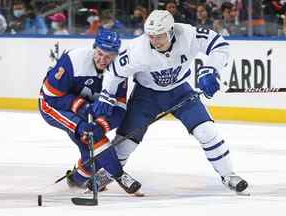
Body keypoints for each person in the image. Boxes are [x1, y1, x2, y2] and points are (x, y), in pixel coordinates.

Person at [94, 10, 249, 194]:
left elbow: (219, 45)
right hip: (146, 97)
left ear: (171, 31)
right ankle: (102, 176)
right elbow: (114, 72)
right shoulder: (138, 50)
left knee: (206, 131)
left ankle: (228, 175)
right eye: (151, 36)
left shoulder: (188, 35)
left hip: (180, 92)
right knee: (126, 141)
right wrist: (107, 94)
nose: (154, 41)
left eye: (159, 36)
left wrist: (211, 69)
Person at [38, 29, 142, 195]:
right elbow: (51, 96)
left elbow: (119, 108)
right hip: (53, 106)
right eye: (100, 53)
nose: (103, 60)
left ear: (116, 55)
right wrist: (81, 106)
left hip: (87, 112)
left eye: (109, 56)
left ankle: (76, 179)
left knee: (93, 146)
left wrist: (103, 126)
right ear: (94, 47)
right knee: (88, 132)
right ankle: (120, 176)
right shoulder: (74, 60)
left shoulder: (119, 70)